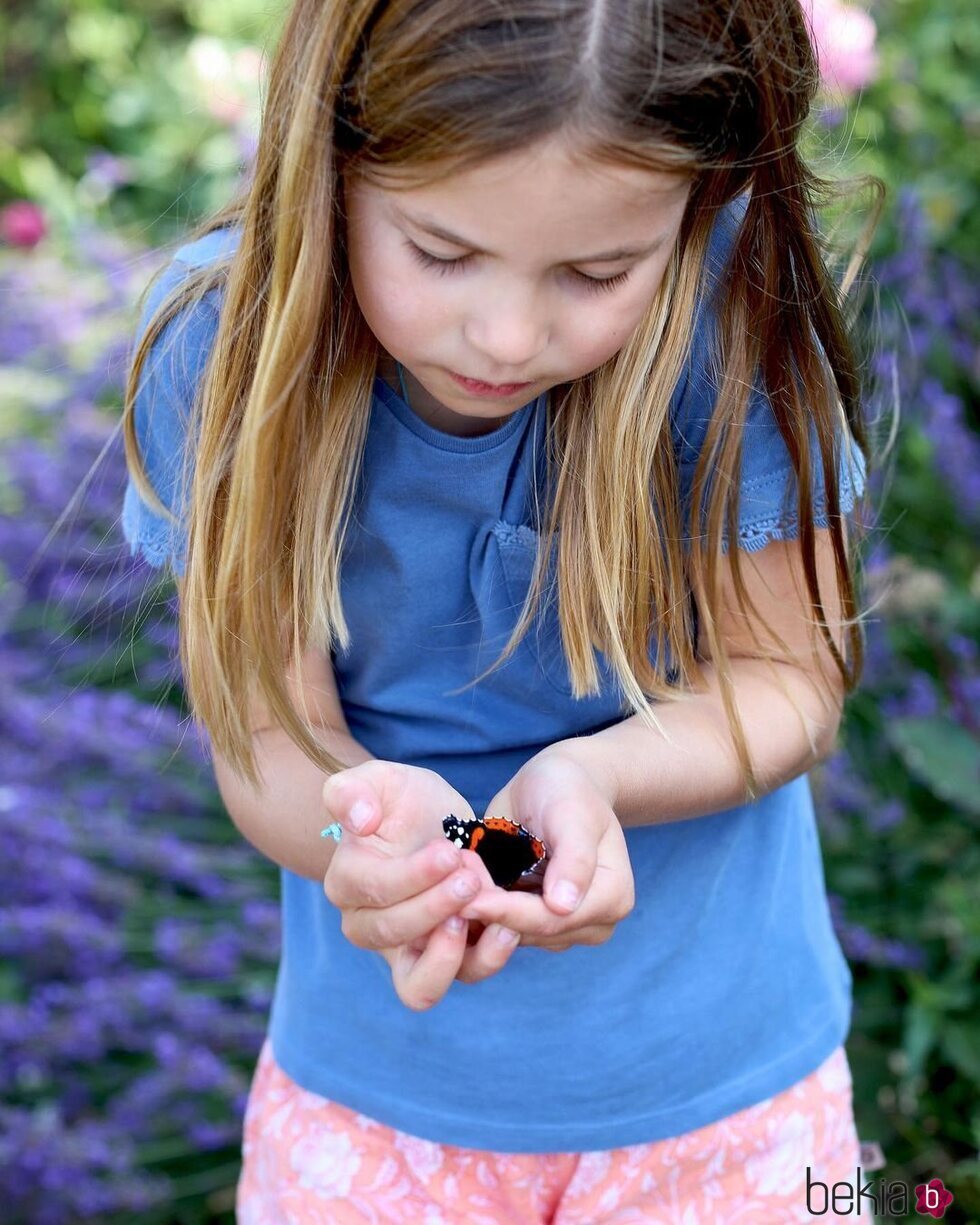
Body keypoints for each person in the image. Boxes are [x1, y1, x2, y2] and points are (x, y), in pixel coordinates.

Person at [120, 0, 882, 1220]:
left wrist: (600, 777)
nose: (507, 334)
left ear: (699, 210)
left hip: (728, 1107)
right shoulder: (225, 349)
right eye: (439, 253)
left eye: (594, 273)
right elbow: (266, 735)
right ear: (333, 162)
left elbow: (786, 677)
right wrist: (356, 829)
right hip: (372, 1118)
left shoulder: (732, 318)